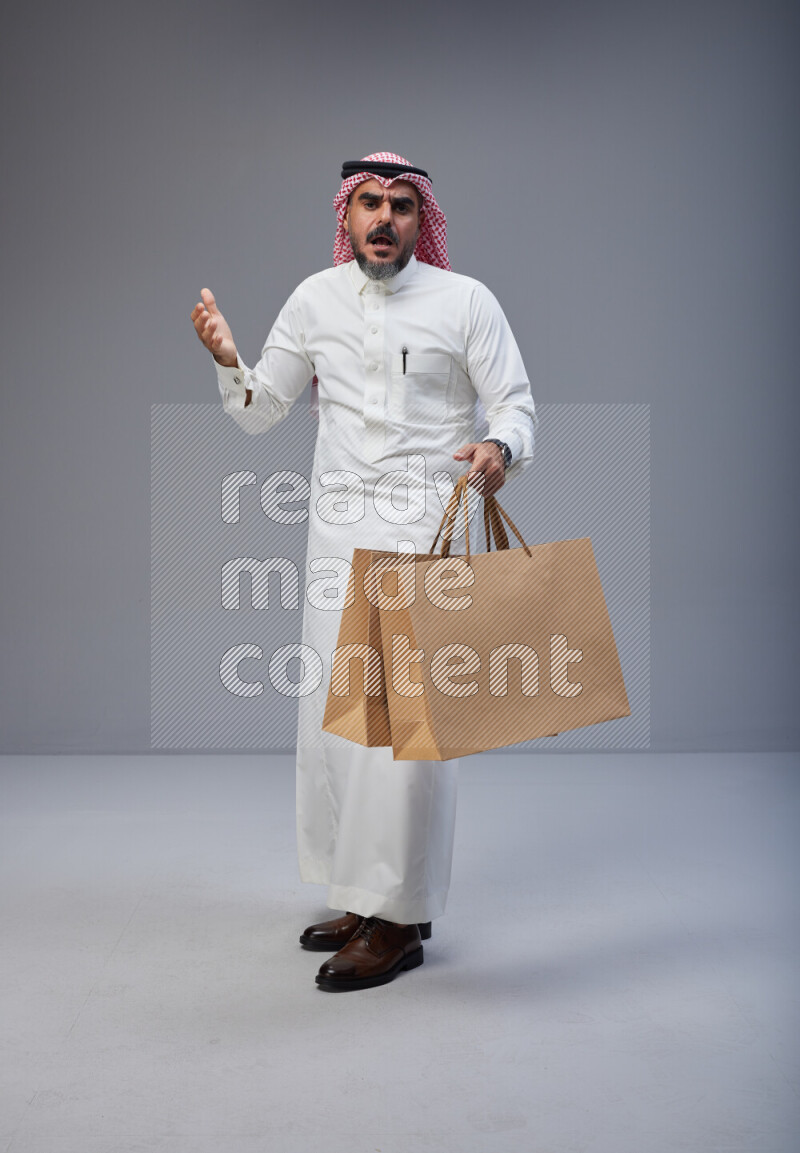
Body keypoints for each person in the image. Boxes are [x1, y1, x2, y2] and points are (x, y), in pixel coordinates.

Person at [190, 152, 536, 991]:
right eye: (370, 203)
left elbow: (517, 406)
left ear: (424, 219)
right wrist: (226, 357)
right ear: (347, 216)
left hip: (426, 529)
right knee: (340, 721)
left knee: (410, 735)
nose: (384, 217)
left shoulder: (466, 301)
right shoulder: (314, 299)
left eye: (403, 205)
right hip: (336, 534)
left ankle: (401, 920)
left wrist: (499, 450)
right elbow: (260, 410)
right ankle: (364, 895)